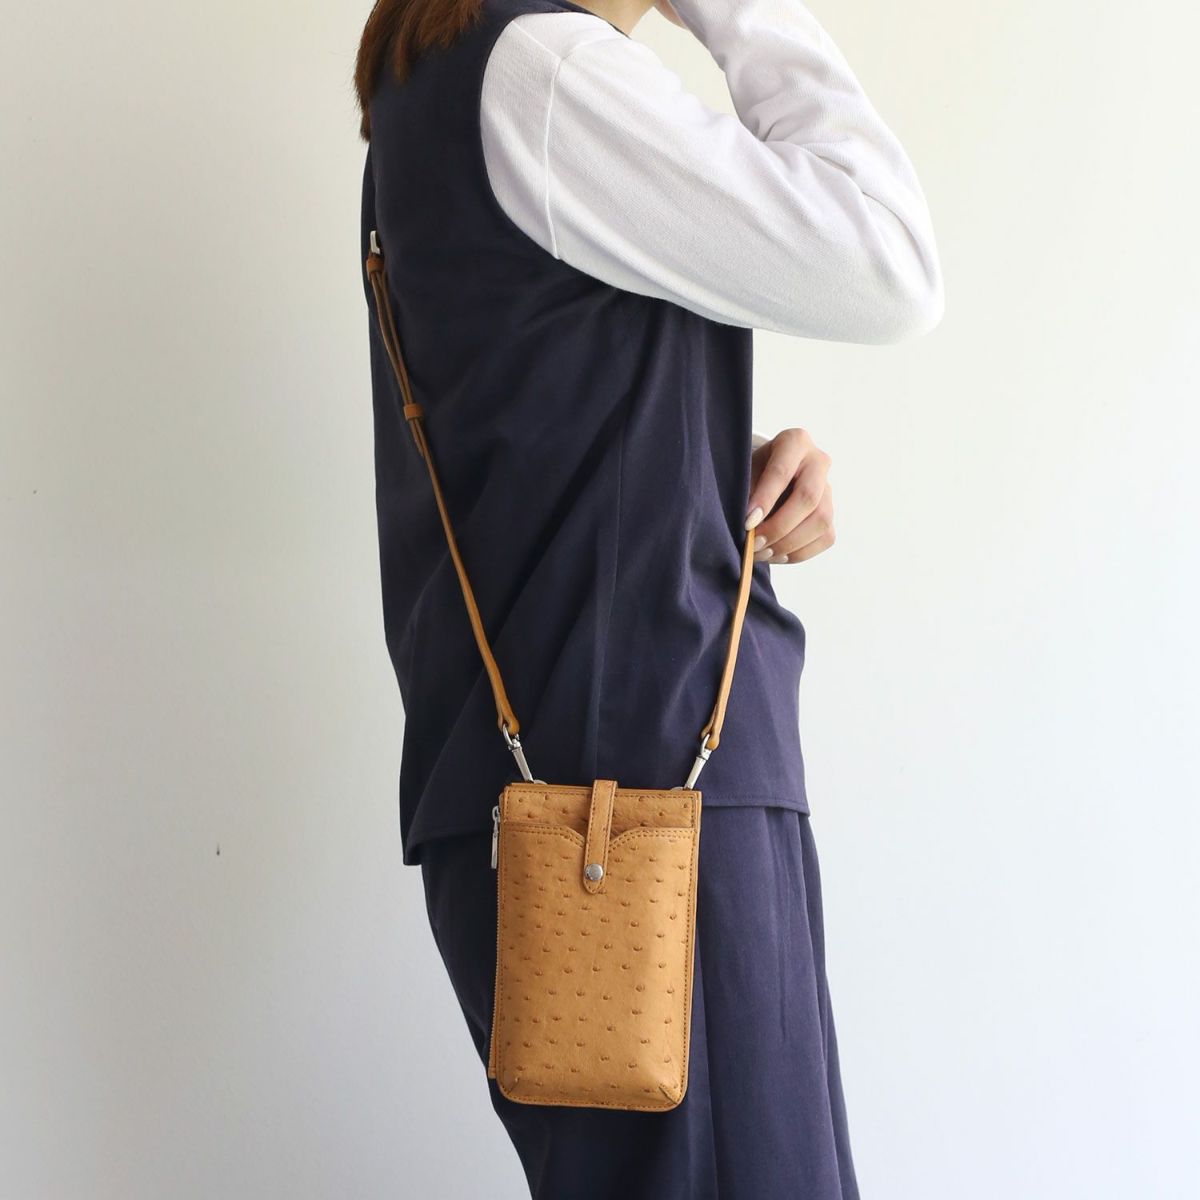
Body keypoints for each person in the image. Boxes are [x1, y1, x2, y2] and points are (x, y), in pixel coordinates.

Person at [355, 0, 943, 1193]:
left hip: (586, 792)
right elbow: (891, 260)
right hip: (641, 811)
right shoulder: (549, 69)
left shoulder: (451, 79)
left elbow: (524, 420)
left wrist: (725, 465)